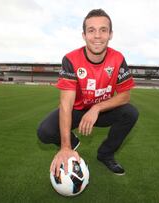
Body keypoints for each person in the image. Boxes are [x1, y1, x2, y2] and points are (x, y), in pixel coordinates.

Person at [37, 8, 138, 177]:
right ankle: (72, 143)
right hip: (77, 110)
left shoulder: (118, 58)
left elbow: (125, 96)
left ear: (110, 34)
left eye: (103, 30)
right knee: (45, 132)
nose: (97, 36)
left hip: (101, 111)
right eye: (91, 30)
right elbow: (66, 103)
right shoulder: (70, 59)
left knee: (130, 113)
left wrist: (97, 108)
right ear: (84, 35)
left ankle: (105, 154)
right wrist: (65, 147)